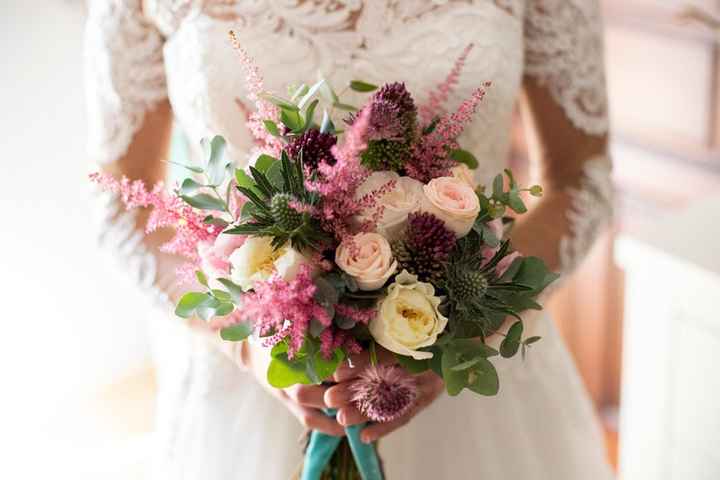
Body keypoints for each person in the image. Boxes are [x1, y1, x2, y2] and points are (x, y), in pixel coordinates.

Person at [86, 1, 614, 478]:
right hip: (248, 392)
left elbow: (579, 180)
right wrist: (254, 346)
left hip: (470, 380)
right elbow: (121, 204)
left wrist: (469, 330)